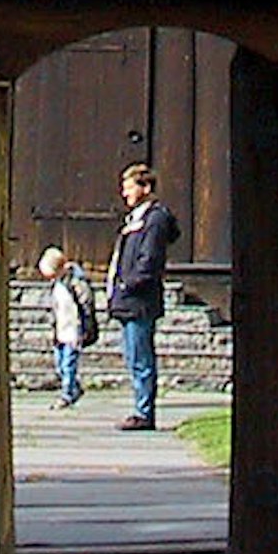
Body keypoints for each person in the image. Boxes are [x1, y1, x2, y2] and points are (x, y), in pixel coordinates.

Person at [107, 162, 176, 431]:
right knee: (133, 357)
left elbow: (149, 260)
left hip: (139, 300)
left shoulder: (154, 219)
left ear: (145, 188)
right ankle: (140, 408)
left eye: (129, 187)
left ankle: (144, 412)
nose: (125, 194)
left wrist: (128, 285)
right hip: (128, 300)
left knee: (141, 358)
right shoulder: (134, 219)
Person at [36, 245, 95, 407]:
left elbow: (85, 304)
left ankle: (67, 394)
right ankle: (74, 388)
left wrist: (85, 326)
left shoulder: (75, 283)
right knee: (60, 365)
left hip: (73, 329)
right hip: (61, 328)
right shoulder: (57, 284)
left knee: (69, 364)